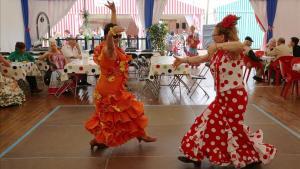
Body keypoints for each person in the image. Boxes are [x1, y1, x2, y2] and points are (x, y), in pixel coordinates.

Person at [173, 15, 276, 168]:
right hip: (222, 97)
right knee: (205, 123)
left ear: (222, 36)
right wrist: (184, 60)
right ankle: (195, 154)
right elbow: (202, 58)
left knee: (235, 130)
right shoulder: (217, 52)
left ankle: (251, 157)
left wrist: (218, 46)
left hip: (235, 97)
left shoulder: (233, 51)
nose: (212, 38)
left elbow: (240, 45)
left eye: (214, 35)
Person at [85, 1, 156, 150]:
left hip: (114, 87)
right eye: (114, 36)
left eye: (119, 36)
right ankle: (99, 140)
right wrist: (111, 35)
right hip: (109, 90)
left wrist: (114, 11)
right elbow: (110, 44)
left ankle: (139, 134)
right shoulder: (107, 49)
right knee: (113, 118)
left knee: (127, 113)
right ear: (106, 37)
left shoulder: (114, 45)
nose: (118, 39)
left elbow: (113, 28)